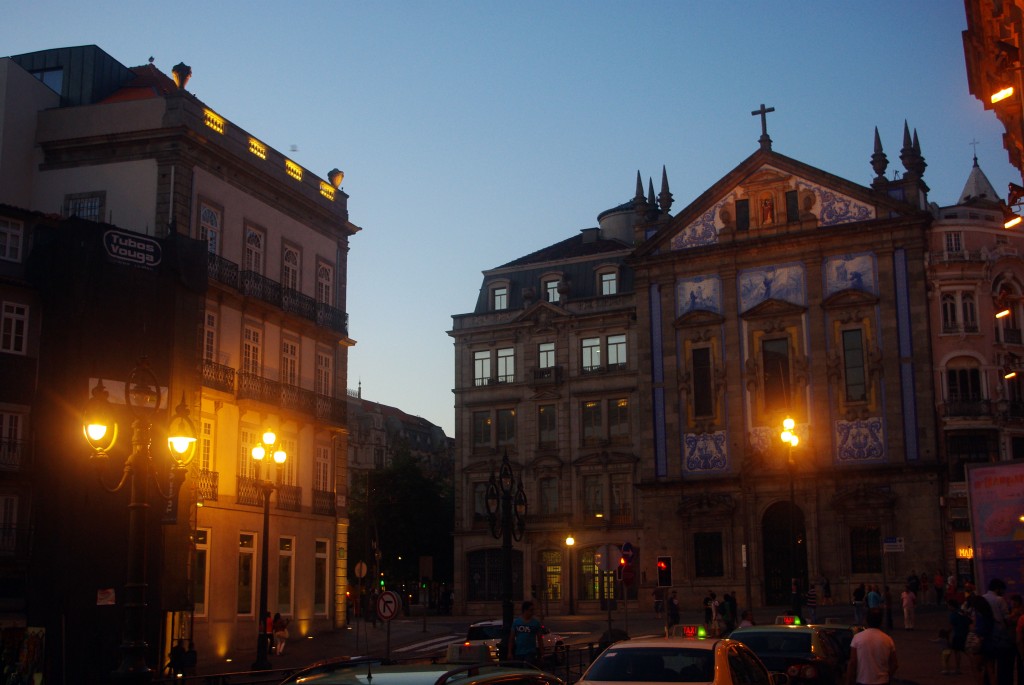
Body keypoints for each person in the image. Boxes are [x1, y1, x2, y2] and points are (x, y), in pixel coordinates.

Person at [847, 607, 897, 685]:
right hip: (882, 681)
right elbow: (894, 663)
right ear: (881, 621)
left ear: (866, 620)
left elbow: (853, 662)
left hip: (863, 681)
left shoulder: (857, 638)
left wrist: (850, 680)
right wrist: (887, 677)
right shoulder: (887, 639)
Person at [946, 598, 970, 675]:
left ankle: (958, 668)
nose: (948, 608)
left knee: (957, 652)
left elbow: (951, 626)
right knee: (966, 650)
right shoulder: (962, 612)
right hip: (965, 633)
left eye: (949, 606)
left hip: (958, 634)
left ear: (951, 606)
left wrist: (947, 634)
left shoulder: (953, 614)